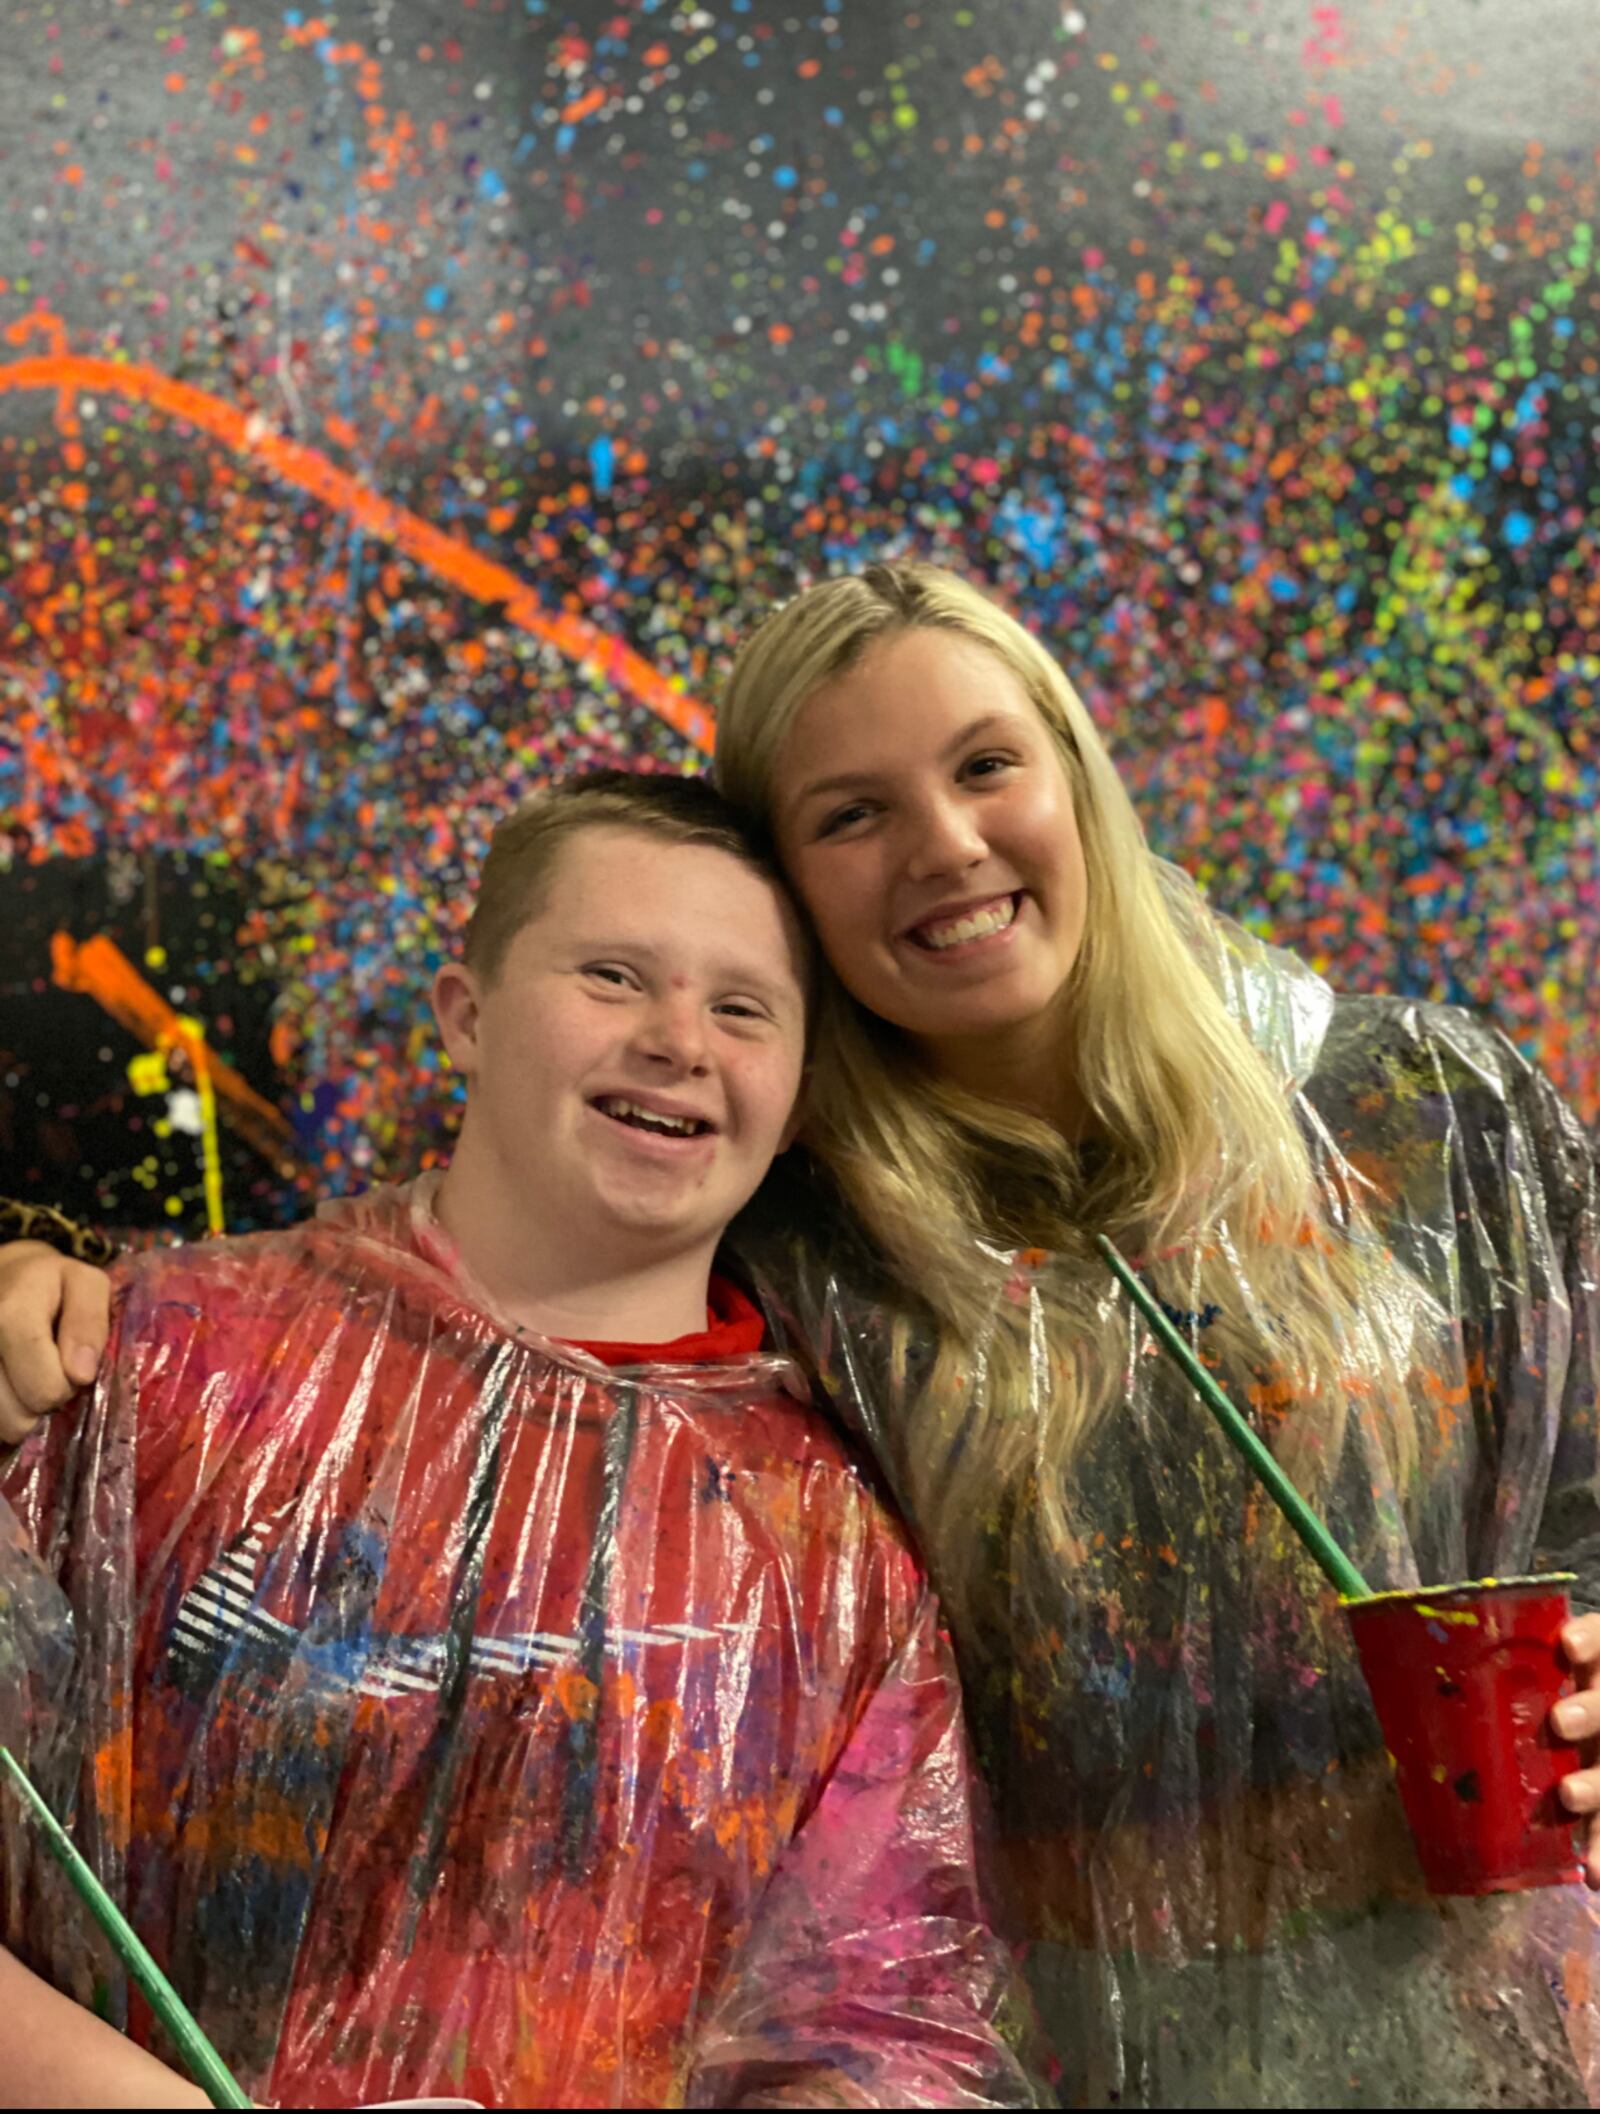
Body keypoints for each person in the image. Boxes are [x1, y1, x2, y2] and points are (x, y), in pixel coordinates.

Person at [6, 562, 1600, 2105]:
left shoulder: (1427, 1119)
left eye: (988, 763)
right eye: (852, 813)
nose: (949, 842)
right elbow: (467, 1309)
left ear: (1079, 773)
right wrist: (56, 1281)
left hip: (1496, 2024)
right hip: (1080, 2052)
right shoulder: (791, 1251)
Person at [0, 770, 1037, 2111]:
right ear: (465, 1014)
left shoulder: (835, 1548)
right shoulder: (144, 1366)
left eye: (742, 1007)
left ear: (798, 1093)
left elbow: (879, 2027)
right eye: (613, 974)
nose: (679, 1038)